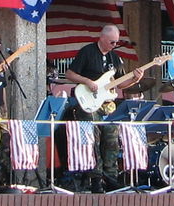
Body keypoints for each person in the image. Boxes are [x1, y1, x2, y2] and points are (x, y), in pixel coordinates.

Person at [63, 24, 147, 191]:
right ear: (101, 38)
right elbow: (69, 73)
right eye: (111, 42)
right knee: (92, 138)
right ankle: (95, 177)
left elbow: (121, 84)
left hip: (106, 103)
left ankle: (111, 176)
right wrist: (87, 81)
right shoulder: (87, 52)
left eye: (116, 42)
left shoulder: (114, 58)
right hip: (87, 101)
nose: (114, 45)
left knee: (112, 137)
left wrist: (135, 79)